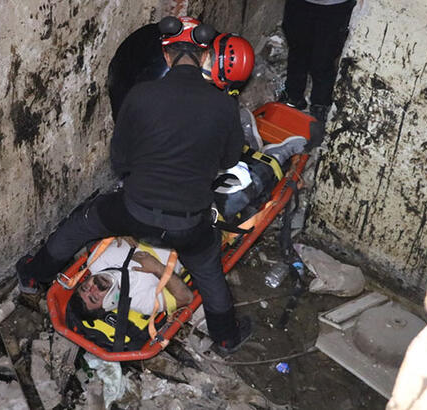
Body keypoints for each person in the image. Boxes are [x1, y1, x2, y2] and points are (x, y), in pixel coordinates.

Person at [16, 16, 253, 356]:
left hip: (134, 212)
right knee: (208, 270)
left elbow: (121, 160)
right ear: (204, 57)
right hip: (188, 222)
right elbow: (229, 159)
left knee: (81, 224)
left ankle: (32, 276)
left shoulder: (141, 94)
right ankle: (226, 337)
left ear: (166, 55)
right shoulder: (224, 104)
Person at [70, 239, 194, 319]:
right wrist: (158, 268)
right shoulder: (142, 302)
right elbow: (185, 297)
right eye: (94, 298)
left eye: (85, 287)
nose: (93, 288)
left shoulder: (95, 261)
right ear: (108, 304)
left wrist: (121, 229)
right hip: (185, 244)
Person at [278, 0, 357, 123]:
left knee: (324, 58)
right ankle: (293, 96)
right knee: (297, 51)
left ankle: (321, 104)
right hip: (300, 4)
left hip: (335, 6)